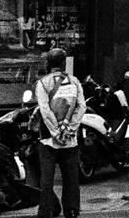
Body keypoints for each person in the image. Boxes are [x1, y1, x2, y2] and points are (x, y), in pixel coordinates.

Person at [35, 48, 85, 218]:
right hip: (69, 139)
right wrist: (69, 129)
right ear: (64, 63)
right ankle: (72, 211)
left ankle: (46, 211)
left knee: (46, 180)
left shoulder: (43, 83)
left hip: (48, 139)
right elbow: (81, 107)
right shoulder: (74, 81)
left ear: (48, 63)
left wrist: (56, 132)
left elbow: (45, 110)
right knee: (71, 178)